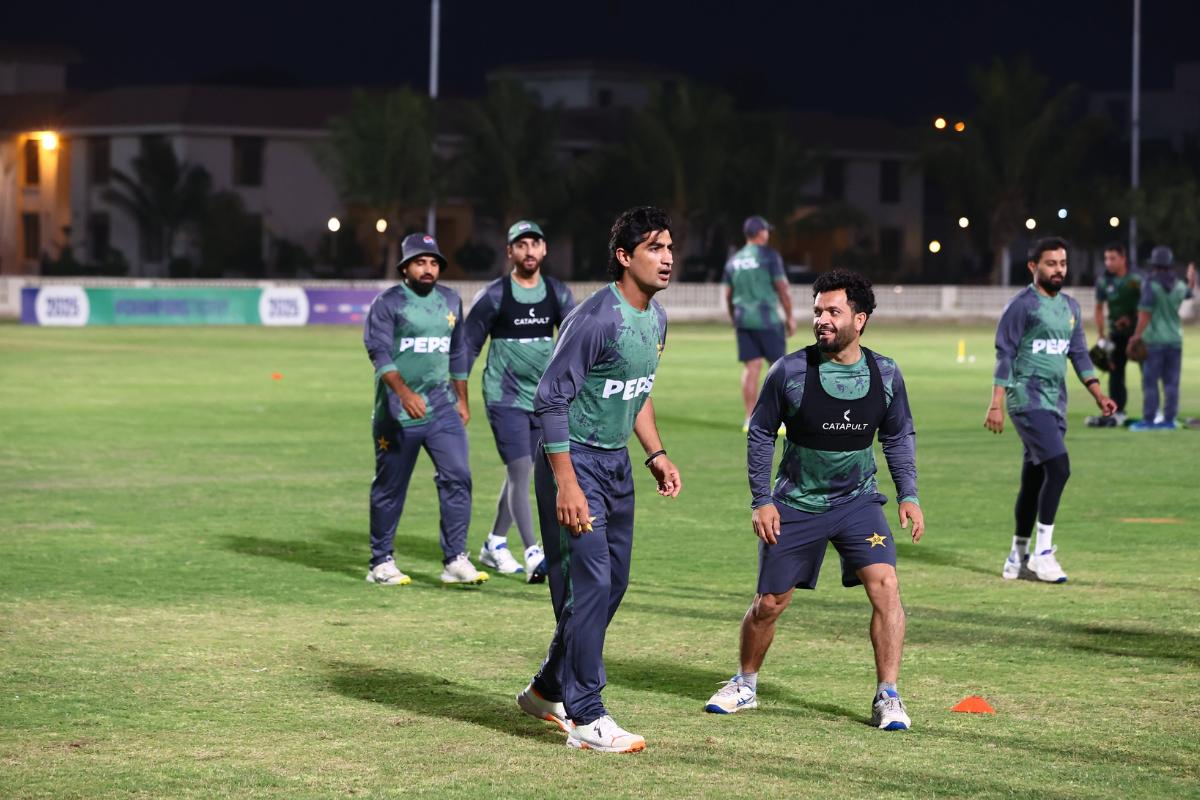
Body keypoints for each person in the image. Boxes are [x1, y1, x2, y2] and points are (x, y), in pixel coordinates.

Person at [704, 269, 925, 732]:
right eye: (817, 310)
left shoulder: (885, 373)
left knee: (886, 586)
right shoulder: (790, 371)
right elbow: (761, 432)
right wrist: (761, 500)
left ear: (859, 319)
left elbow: (898, 433)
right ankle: (745, 684)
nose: (821, 319)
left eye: (832, 311)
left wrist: (908, 494)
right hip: (796, 504)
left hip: (858, 502)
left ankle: (888, 695)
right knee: (770, 603)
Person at [515, 206, 681, 753]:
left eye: (669, 247)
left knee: (611, 587)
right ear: (624, 256)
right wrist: (566, 482)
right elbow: (550, 399)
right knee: (589, 587)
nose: (667, 258)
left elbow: (635, 389)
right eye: (654, 247)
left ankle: (545, 689)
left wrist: (655, 452)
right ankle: (586, 715)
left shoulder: (656, 321)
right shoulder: (596, 318)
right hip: (575, 461)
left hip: (616, 464)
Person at [985, 237, 1116, 583]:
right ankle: (1043, 554)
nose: (1059, 269)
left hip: (1055, 403)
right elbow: (1006, 355)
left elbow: (1079, 354)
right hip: (1026, 401)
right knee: (1059, 468)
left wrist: (1099, 394)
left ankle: (1017, 556)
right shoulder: (1022, 307)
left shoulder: (1071, 308)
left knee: (1035, 479)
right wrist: (995, 402)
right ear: (1033, 267)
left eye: (1062, 263)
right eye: (1051, 263)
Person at [363, 233, 488, 587]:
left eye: (433, 262)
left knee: (459, 476)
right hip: (396, 411)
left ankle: (455, 560)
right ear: (405, 267)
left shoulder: (450, 299)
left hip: (441, 406)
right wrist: (403, 393)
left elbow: (457, 352)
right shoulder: (387, 303)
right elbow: (379, 354)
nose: (428, 268)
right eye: (420, 262)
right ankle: (381, 562)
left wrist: (462, 399)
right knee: (391, 486)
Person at [464, 220, 576, 580]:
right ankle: (533, 552)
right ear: (510, 252)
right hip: (504, 398)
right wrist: (459, 398)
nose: (529, 251)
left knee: (522, 474)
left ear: (544, 251)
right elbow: (467, 347)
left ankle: (495, 543)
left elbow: (573, 343)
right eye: (521, 244)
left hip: (542, 400)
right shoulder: (496, 295)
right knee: (520, 471)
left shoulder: (556, 293)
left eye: (535, 244)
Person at [724, 215, 796, 432]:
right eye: (767, 231)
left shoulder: (734, 260)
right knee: (778, 369)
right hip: (767, 320)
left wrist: (733, 317)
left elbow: (728, 295)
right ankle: (780, 419)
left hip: (744, 319)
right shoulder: (769, 256)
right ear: (762, 233)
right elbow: (782, 288)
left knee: (751, 369)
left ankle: (749, 418)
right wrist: (790, 316)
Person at [1128, 247, 1197, 431]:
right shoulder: (1179, 285)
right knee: (1171, 383)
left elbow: (1145, 314)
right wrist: (1191, 279)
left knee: (1150, 382)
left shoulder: (1150, 284)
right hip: (1175, 340)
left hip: (1154, 340)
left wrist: (1136, 336)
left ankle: (1150, 419)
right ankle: (1169, 419)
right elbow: (1189, 293)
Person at [1090, 242, 1141, 425]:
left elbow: (1146, 305)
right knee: (1114, 371)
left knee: (1148, 372)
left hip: (1138, 334)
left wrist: (1131, 318)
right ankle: (1117, 410)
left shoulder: (1136, 279)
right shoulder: (1104, 281)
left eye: (1113, 258)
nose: (1108, 263)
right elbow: (1098, 309)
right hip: (1116, 334)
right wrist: (1101, 335)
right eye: (1106, 258)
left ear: (1123, 259)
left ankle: (1153, 411)